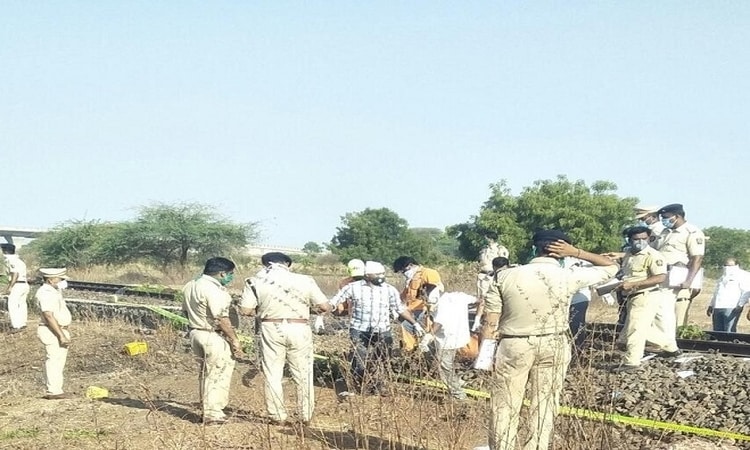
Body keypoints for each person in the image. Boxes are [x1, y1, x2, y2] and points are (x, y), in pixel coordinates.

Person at [478, 230, 618, 450]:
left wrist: (485, 358)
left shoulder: (504, 276)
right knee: (544, 405)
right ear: (562, 253)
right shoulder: (569, 276)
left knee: (504, 405)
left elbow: (490, 322)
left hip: (513, 344)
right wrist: (578, 252)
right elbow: (611, 266)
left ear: (534, 248)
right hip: (554, 343)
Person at [238, 252, 331, 425]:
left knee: (272, 373)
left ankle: (277, 416)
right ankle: (305, 415)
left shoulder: (254, 281)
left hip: (270, 327)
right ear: (288, 264)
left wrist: (263, 310)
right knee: (303, 373)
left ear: (265, 264)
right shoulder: (305, 280)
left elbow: (245, 310)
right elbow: (324, 306)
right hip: (299, 327)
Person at [329, 261, 424, 396]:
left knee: (383, 360)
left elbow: (400, 308)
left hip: (382, 331)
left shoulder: (389, 290)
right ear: (367, 275)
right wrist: (327, 309)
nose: (381, 276)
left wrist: (415, 323)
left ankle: (379, 387)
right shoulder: (352, 288)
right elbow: (335, 301)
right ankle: (360, 388)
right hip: (359, 330)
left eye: (383, 274)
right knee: (360, 360)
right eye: (377, 274)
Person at [182, 257, 244, 425]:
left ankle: (207, 406)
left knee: (205, 373)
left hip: (195, 332)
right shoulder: (213, 289)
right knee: (217, 372)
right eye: (230, 274)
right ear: (222, 273)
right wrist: (234, 340)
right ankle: (213, 412)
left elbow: (185, 312)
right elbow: (221, 317)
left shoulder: (190, 285)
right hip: (212, 335)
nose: (230, 278)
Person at [613, 226, 680, 372]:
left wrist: (634, 284)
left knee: (635, 329)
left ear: (649, 239)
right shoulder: (629, 254)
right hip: (632, 296)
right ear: (629, 240)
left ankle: (631, 362)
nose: (640, 242)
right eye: (636, 239)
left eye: (644, 239)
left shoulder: (653, 255)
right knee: (633, 329)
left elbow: (660, 277)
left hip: (646, 295)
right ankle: (670, 346)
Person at [656, 203, 706, 328]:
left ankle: (677, 344)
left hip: (679, 278)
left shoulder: (692, 232)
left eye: (666, 217)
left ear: (677, 216)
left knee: (678, 313)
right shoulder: (664, 232)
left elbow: (697, 258)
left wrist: (688, 281)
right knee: (661, 314)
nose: (664, 220)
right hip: (661, 277)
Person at [427, 291, 477, 400]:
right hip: (461, 337)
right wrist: (477, 316)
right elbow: (478, 300)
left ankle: (458, 395)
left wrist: (429, 335)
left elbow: (439, 322)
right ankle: (461, 380)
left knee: (445, 367)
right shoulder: (459, 296)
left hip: (447, 340)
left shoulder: (440, 304)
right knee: (455, 363)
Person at [392, 256, 444, 351]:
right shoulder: (411, 279)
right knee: (408, 339)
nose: (403, 274)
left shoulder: (428, 273)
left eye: (403, 271)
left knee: (424, 339)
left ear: (411, 265)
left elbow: (435, 293)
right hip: (411, 312)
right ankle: (411, 354)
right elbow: (405, 296)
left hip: (424, 312)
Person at [36, 268, 73, 399]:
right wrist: (60, 335)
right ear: (51, 280)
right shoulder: (45, 293)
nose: (62, 281)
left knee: (59, 360)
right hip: (52, 330)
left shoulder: (54, 291)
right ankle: (53, 391)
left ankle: (57, 389)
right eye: (60, 279)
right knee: (54, 360)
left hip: (59, 329)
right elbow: (48, 315)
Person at [707, 258, 750, 332]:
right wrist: (711, 305)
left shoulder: (743, 275)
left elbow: (746, 292)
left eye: (730, 266)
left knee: (729, 331)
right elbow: (716, 293)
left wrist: (740, 305)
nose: (727, 268)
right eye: (725, 265)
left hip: (732, 307)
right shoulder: (722, 277)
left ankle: (729, 343)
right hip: (718, 307)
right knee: (717, 331)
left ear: (737, 265)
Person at [472, 256, 510, 332]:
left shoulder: (511, 279)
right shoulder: (487, 280)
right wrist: (477, 319)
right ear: (493, 267)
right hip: (493, 312)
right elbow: (482, 300)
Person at [2, 244, 29, 333]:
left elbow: (15, 274)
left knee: (12, 304)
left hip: (17, 284)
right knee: (22, 304)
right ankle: (22, 323)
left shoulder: (11, 260)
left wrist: (10, 287)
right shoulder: (20, 261)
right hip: (24, 284)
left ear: (5, 251)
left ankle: (16, 326)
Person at [476, 231, 509, 301]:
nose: (485, 239)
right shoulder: (484, 249)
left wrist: (495, 273)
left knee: (490, 297)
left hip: (492, 275)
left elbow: (503, 263)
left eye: (486, 237)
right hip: (482, 275)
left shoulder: (500, 249)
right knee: (480, 298)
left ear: (491, 238)